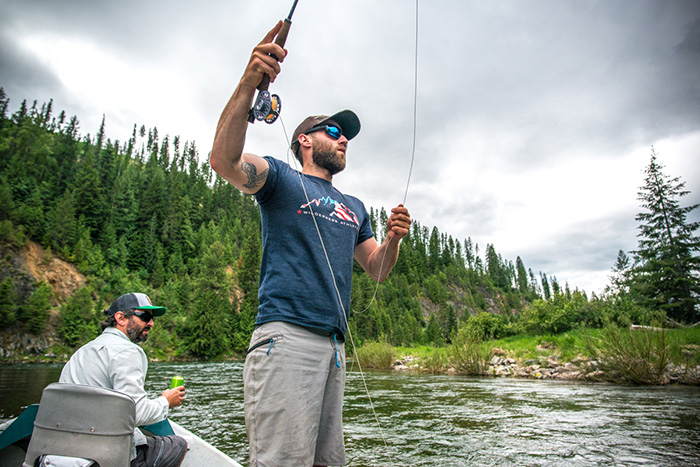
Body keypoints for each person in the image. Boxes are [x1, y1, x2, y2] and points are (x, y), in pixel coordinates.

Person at [210, 21, 412, 467]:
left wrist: (394, 240)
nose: (343, 139)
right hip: (284, 338)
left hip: (334, 350)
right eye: (333, 131)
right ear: (304, 139)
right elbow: (223, 161)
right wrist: (248, 83)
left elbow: (377, 267)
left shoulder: (355, 205)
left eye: (347, 137)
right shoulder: (280, 179)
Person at [59, 292, 188, 467]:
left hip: (59, 452)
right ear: (121, 318)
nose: (151, 323)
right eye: (145, 316)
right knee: (177, 444)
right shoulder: (127, 351)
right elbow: (136, 414)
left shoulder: (82, 351)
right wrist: (166, 401)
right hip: (98, 457)